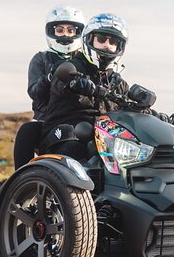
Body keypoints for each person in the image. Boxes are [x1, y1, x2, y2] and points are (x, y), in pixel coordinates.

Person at [40, 13, 130, 161]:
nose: (107, 45)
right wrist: (76, 83)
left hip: (101, 137)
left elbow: (129, 102)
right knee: (77, 149)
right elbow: (60, 81)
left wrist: (152, 113)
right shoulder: (72, 67)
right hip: (64, 135)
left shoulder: (117, 81)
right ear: (89, 40)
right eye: (101, 39)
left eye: (113, 42)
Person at [14, 6, 86, 169]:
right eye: (60, 30)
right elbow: (34, 92)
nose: (66, 34)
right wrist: (48, 78)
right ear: (51, 31)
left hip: (81, 117)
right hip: (47, 118)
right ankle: (21, 182)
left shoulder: (85, 59)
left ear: (79, 32)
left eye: (71, 30)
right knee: (27, 131)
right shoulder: (41, 58)